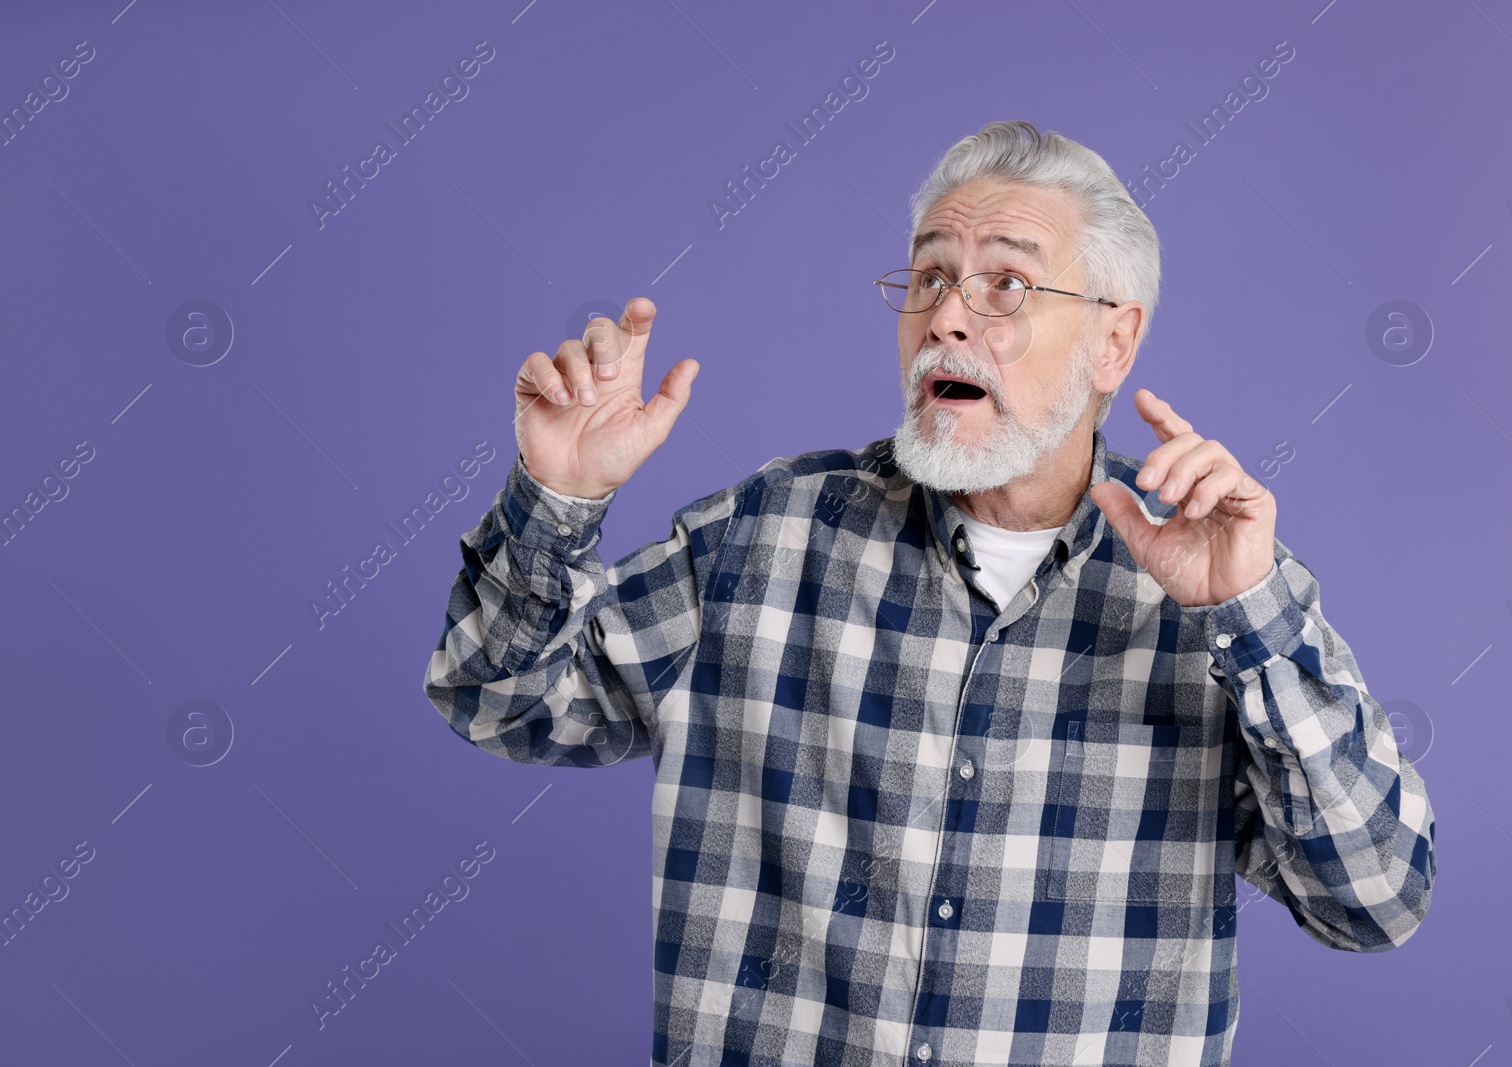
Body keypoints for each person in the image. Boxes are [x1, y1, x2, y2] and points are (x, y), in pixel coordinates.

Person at [422, 120, 1436, 1067]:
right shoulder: (766, 538)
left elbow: (1373, 901)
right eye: (930, 277)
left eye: (1005, 283)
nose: (947, 314)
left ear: (1113, 342)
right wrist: (558, 495)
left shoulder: (1226, 590)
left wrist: (1246, 621)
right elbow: (497, 697)